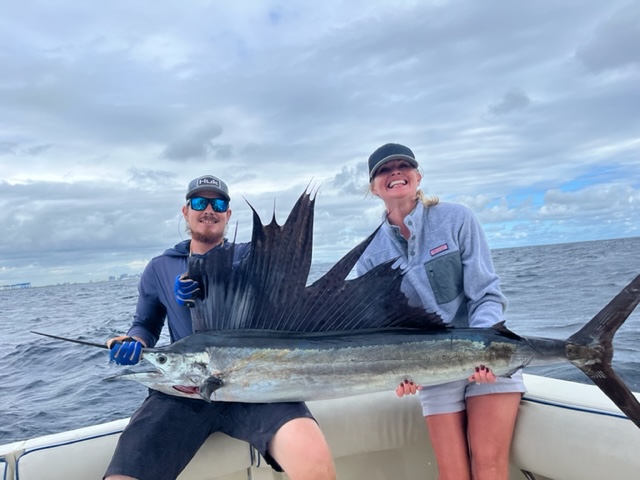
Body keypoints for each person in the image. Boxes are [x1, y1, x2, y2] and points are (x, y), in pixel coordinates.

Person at [104, 175, 336, 480]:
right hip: (181, 395)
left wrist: (216, 278)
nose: (209, 209)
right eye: (199, 202)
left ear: (227, 214)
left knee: (315, 464)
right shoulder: (160, 268)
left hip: (258, 386)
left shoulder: (249, 256)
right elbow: (145, 325)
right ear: (185, 211)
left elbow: (271, 289)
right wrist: (131, 341)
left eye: (218, 203)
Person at [355, 144, 526, 480]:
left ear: (418, 177)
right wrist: (397, 372)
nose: (396, 173)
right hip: (430, 369)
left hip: (488, 357)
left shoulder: (456, 218)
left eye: (404, 166)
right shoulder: (370, 254)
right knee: (452, 474)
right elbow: (382, 329)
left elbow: (487, 295)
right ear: (374, 187)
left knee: (489, 465)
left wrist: (482, 348)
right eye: (385, 170)